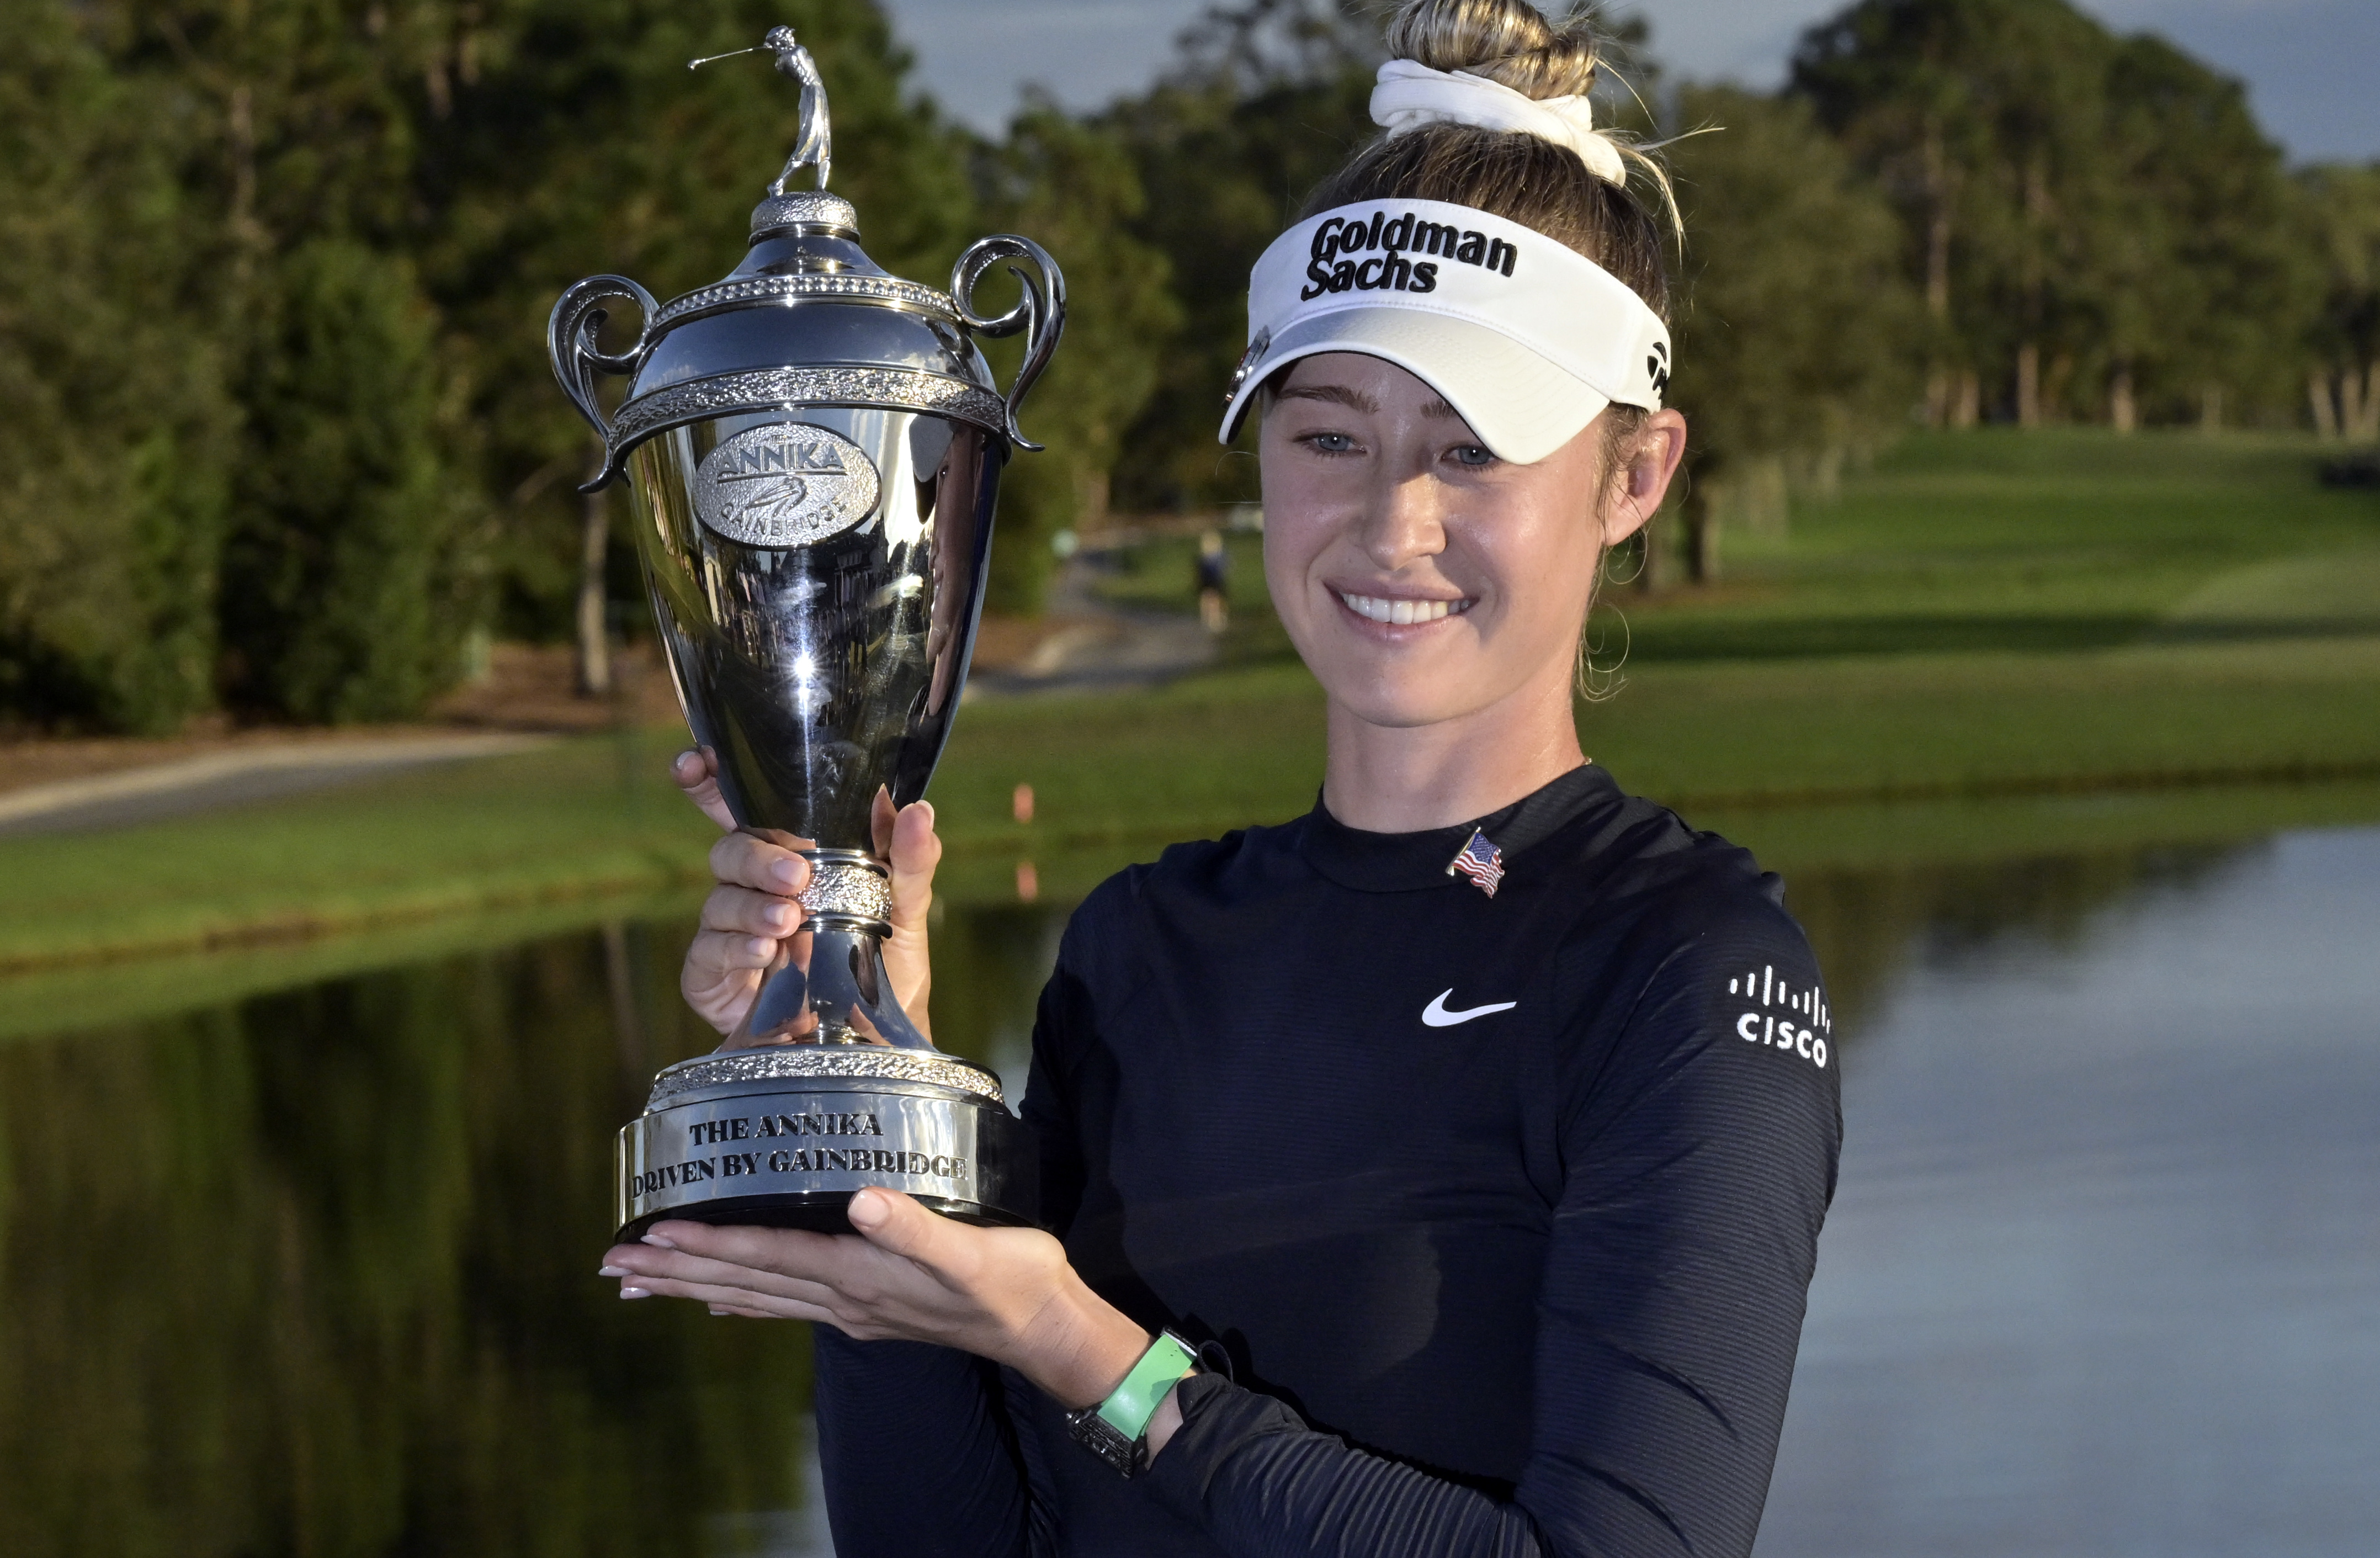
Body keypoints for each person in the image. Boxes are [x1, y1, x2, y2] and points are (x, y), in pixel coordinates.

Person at [602, 3, 1842, 1554]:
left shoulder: (1685, 965)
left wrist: (1089, 1352)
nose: (1390, 522)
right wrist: (874, 1152)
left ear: (1635, 474)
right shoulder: (1139, 946)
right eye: (1330, 435)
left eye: (1470, 452)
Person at [1196, 529, 1232, 633]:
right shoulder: (1206, 558)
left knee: (1215, 599)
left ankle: (1215, 618)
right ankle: (1212, 618)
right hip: (1210, 581)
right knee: (1211, 599)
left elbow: (1226, 566)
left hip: (1215, 580)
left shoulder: (1216, 556)